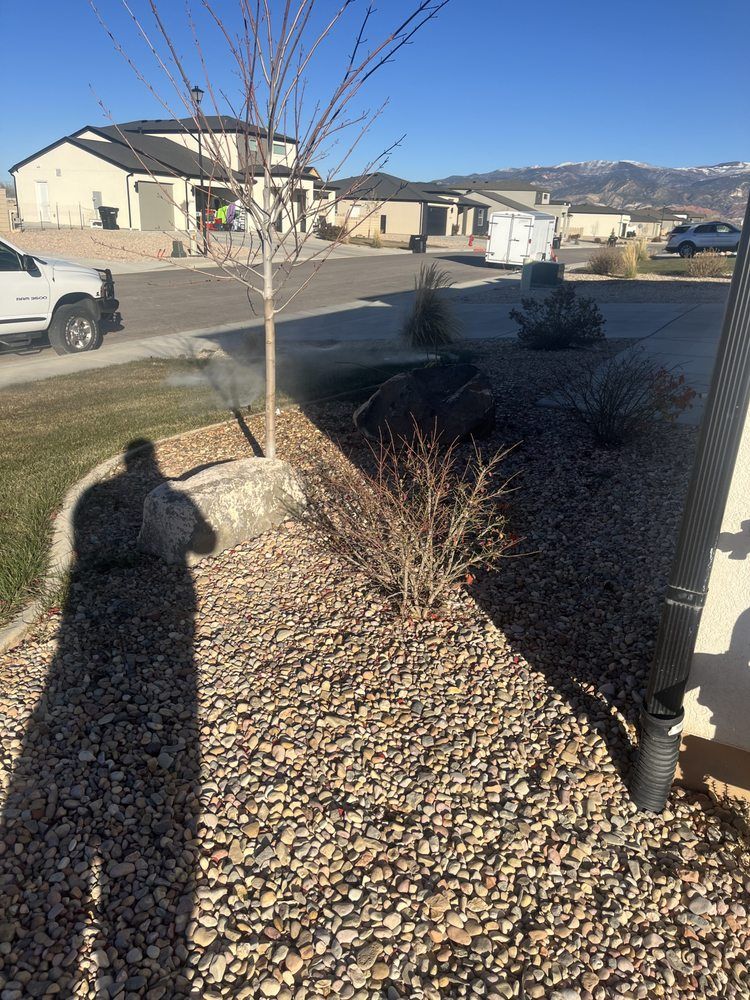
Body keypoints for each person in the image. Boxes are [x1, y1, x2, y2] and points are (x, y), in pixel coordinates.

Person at [0, 440, 213, 996]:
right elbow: (207, 542)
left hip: (90, 641)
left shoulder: (96, 495)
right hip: (159, 643)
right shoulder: (120, 496)